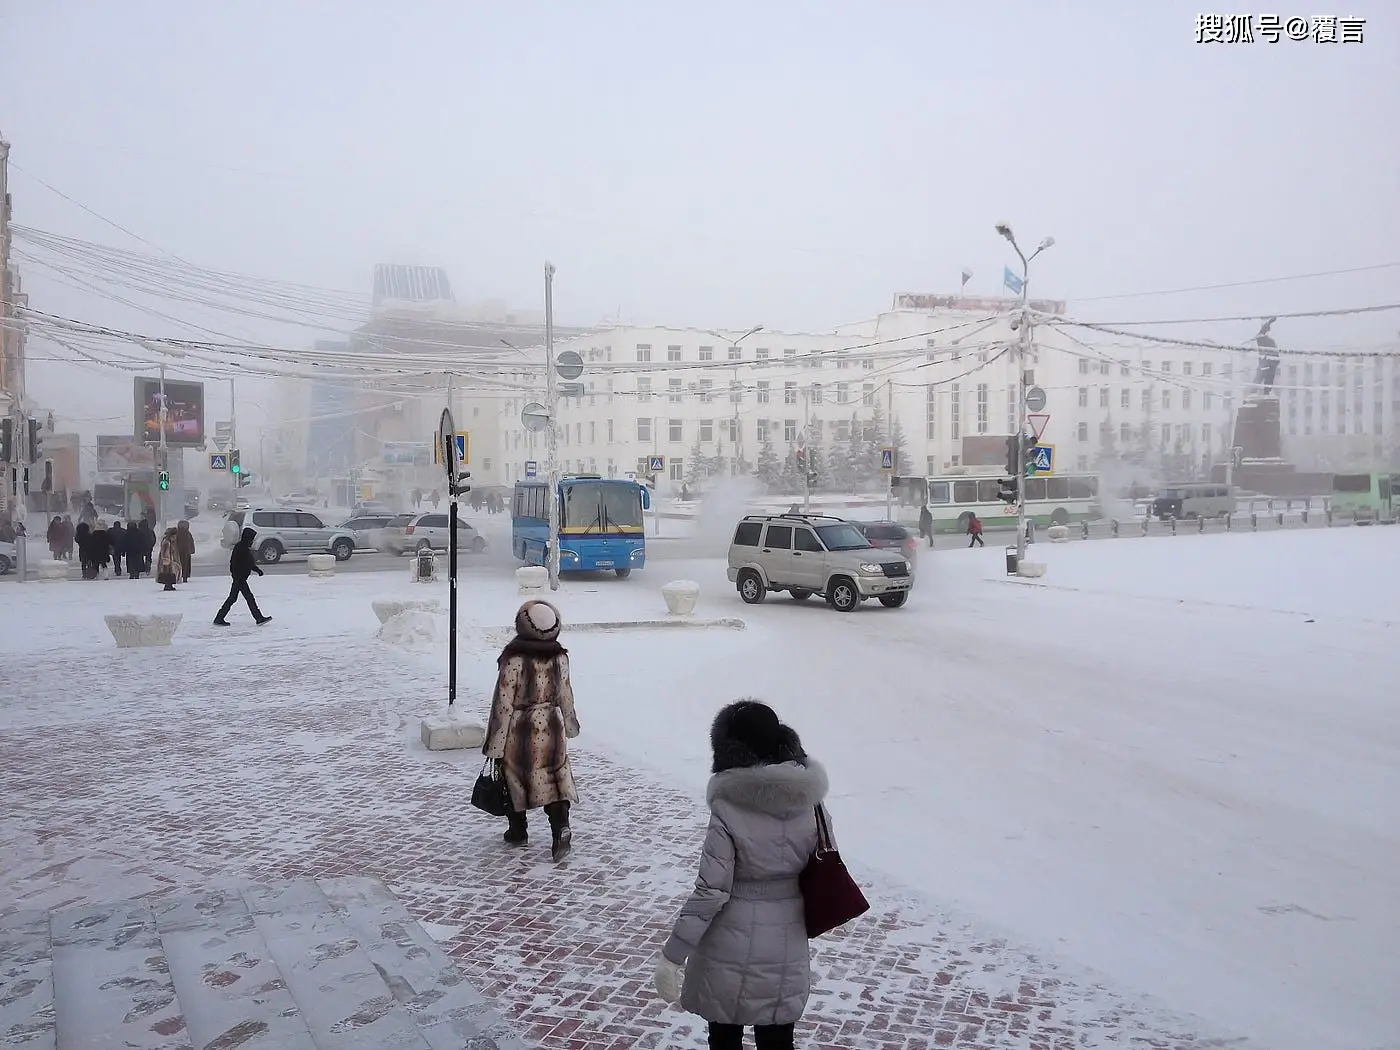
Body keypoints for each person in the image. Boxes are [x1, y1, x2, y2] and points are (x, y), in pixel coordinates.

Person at [654, 700, 828, 1050]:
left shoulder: (728, 806)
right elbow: (824, 858)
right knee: (778, 1038)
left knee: (724, 1036)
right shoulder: (809, 800)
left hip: (726, 945)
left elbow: (710, 892)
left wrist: (673, 955)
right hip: (786, 936)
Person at [482, 600, 580, 862]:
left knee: (513, 778)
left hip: (520, 728)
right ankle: (561, 827)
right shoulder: (560, 657)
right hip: (552, 724)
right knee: (555, 779)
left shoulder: (513, 659)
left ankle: (518, 830)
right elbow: (565, 695)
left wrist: (495, 744)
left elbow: (503, 703)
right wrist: (570, 725)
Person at [214, 527, 271, 626]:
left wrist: (257, 570)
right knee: (248, 598)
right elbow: (236, 564)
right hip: (239, 578)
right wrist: (238, 577)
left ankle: (219, 618)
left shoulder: (243, 547)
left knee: (234, 598)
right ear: (247, 538)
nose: (252, 541)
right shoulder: (241, 548)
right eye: (251, 539)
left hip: (240, 578)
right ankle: (259, 618)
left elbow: (248, 563)